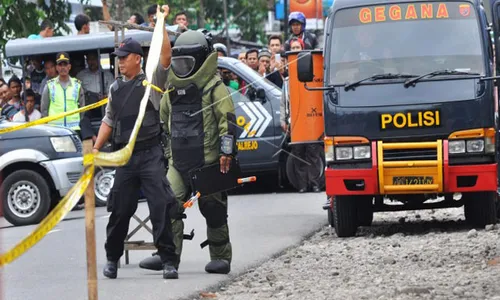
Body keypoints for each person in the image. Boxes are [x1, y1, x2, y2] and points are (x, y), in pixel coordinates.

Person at [139, 29, 237, 275]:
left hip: (210, 163)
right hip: (178, 163)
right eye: (178, 63)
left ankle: (221, 257)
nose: (182, 67)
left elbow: (229, 122)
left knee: (213, 209)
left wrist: (227, 151)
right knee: (166, 204)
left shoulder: (216, 88)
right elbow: (163, 123)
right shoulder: (171, 93)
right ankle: (167, 256)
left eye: (187, 63)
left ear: (202, 61)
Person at [92, 5, 179, 280]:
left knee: (161, 207)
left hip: (151, 154)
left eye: (123, 58)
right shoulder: (115, 88)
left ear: (137, 60)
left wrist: (162, 24)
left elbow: (165, 56)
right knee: (119, 209)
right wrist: (95, 150)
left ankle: (168, 261)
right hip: (125, 159)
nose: (119, 62)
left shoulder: (152, 83)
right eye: (118, 58)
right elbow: (108, 121)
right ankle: (112, 259)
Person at [40, 52, 85, 133]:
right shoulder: (50, 85)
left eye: (65, 65)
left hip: (73, 129)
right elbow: (44, 109)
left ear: (69, 67)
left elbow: (82, 108)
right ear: (57, 67)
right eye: (60, 65)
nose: (63, 68)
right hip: (55, 129)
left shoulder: (77, 85)